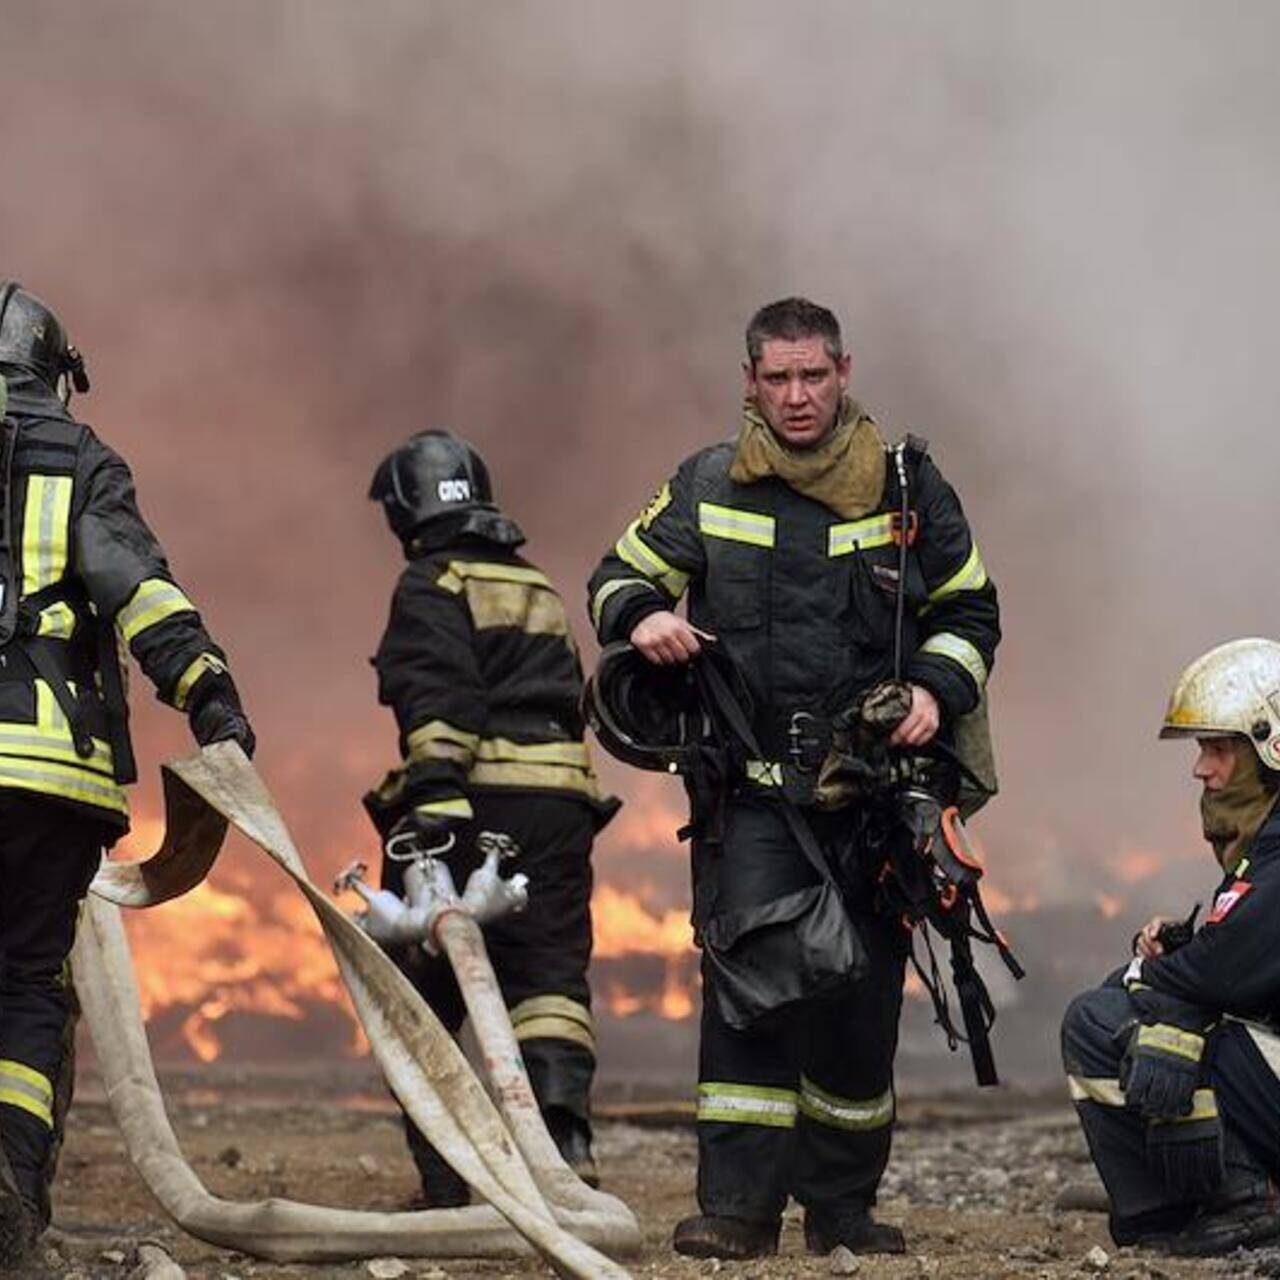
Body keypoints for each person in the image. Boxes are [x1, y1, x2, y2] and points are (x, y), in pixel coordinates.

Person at [586, 297, 1000, 1259]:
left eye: (814, 376)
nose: (797, 396)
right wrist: (640, 615)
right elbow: (615, 573)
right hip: (755, 795)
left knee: (860, 1003)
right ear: (750, 383)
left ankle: (843, 1210)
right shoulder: (707, 482)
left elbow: (971, 610)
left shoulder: (910, 488)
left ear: (845, 372)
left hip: (874, 793)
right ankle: (737, 1211)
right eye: (778, 378)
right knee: (753, 993)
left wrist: (938, 686)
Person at [0, 281, 254, 1264]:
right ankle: (12, 1197)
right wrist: (210, 693)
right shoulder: (80, 457)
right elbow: (137, 589)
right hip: (51, 777)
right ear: (57, 374)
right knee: (22, 984)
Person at [365, 428, 617, 1203]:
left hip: (469, 807)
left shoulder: (431, 582)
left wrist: (435, 801)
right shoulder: (535, 583)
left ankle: (448, 1182)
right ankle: (563, 1150)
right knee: (548, 980)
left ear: (405, 507)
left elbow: (435, 692)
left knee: (419, 997)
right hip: (560, 808)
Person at [1061, 637, 1280, 1256]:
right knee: (1115, 1011)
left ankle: (1249, 1197)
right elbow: (1240, 953)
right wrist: (1184, 948)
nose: (1200, 769)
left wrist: (1147, 979)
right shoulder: (1266, 843)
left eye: (1217, 749)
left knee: (1108, 1017)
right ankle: (1169, 1213)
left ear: (1271, 748)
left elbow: (1226, 978)